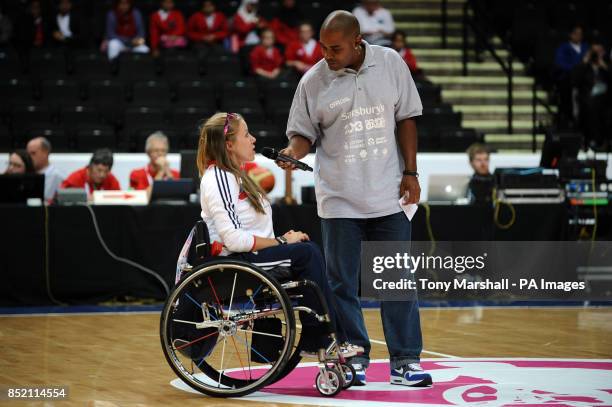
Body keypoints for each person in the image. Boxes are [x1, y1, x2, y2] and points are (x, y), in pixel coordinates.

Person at [279, 10, 432, 387]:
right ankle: (355, 355)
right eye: (323, 48)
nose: (327, 55)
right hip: (339, 198)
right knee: (341, 284)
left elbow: (407, 119)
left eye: (335, 48)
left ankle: (405, 360)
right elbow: (302, 134)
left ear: (357, 42)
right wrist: (293, 152)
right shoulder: (312, 81)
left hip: (388, 193)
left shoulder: (391, 63)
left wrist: (411, 173)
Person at [197, 111, 363, 355]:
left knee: (305, 252)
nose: (253, 139)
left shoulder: (234, 176)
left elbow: (249, 229)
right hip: (233, 263)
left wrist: (281, 242)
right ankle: (320, 338)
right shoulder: (218, 179)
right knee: (307, 255)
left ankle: (317, 337)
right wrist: (281, 241)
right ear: (229, 145)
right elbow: (232, 239)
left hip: (248, 257)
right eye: (247, 134)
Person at [573, 41, 610, 149]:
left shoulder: (606, 66)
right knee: (590, 105)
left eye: (599, 51)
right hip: (587, 100)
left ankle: (602, 141)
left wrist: (604, 66)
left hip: (605, 101)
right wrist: (584, 62)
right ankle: (591, 141)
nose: (596, 54)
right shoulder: (584, 67)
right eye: (594, 51)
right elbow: (575, 81)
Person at [554, 25, 588, 127]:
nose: (579, 36)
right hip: (568, 81)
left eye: (580, 34)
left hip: (585, 82)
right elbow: (560, 63)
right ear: (571, 35)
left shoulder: (586, 47)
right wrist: (578, 67)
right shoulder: (563, 48)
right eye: (576, 34)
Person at [26, 137, 64, 201]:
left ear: (45, 152)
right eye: (28, 154)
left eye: (33, 153)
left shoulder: (58, 177)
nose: (29, 157)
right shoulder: (25, 173)